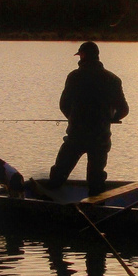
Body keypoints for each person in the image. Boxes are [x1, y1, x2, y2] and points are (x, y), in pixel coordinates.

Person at [47, 41, 129, 195]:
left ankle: (48, 202)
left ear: (83, 56)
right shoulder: (113, 80)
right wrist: (110, 119)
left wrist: (73, 118)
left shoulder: (74, 77)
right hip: (101, 138)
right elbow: (124, 110)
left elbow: (63, 104)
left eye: (80, 55)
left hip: (76, 135)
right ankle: (97, 209)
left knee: (59, 173)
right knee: (96, 180)